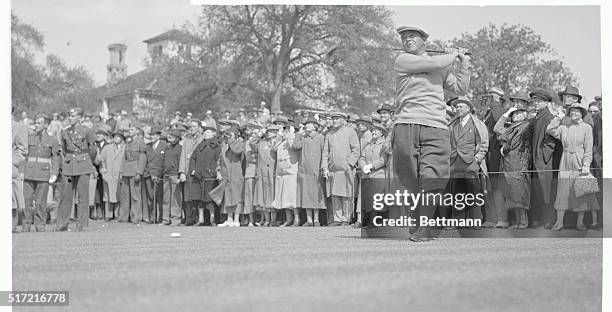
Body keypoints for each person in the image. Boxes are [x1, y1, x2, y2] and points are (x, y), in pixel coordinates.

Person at [392, 26, 471, 241]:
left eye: (412, 37)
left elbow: (460, 89)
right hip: (407, 121)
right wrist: (453, 54)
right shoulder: (403, 60)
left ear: (424, 41)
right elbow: (435, 63)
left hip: (436, 125)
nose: (407, 40)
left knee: (433, 176)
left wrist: (464, 63)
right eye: (404, 37)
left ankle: (425, 225)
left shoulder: (442, 65)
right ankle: (417, 214)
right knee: (409, 174)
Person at [546, 103, 599, 231]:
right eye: (572, 111)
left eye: (577, 111)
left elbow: (588, 149)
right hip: (565, 161)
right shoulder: (564, 127)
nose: (574, 113)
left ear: (582, 113)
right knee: (562, 191)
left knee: (580, 190)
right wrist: (559, 116)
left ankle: (579, 223)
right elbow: (550, 130)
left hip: (580, 161)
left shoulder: (586, 128)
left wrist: (586, 164)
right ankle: (559, 222)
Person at [446, 97, 488, 226]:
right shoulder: (452, 124)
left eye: (461, 107)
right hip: (455, 162)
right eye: (457, 107)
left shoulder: (478, 124)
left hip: (470, 163)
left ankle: (475, 220)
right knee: (457, 193)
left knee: (473, 192)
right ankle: (458, 221)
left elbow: (483, 143)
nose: (458, 109)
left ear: (468, 108)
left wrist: (477, 159)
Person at [56, 107, 98, 231]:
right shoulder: (64, 132)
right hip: (69, 165)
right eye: (69, 115)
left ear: (80, 117)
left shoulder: (87, 131)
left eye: (73, 115)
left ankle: (82, 225)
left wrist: (86, 160)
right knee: (65, 196)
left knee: (83, 196)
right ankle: (62, 225)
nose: (70, 118)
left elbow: (93, 149)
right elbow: (63, 149)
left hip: (83, 164)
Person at [494, 102, 533, 229]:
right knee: (513, 193)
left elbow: (514, 142)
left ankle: (523, 222)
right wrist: (506, 114)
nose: (515, 115)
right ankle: (518, 222)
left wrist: (504, 149)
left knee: (519, 192)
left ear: (525, 114)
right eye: (514, 113)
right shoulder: (512, 126)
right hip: (509, 163)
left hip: (519, 163)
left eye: (518, 113)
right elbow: (497, 129)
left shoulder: (525, 125)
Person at [22, 115, 61, 232]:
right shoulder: (29, 138)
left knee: (41, 203)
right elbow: (23, 156)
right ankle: (26, 225)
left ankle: (40, 226)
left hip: (43, 175)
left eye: (39, 123)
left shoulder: (53, 141)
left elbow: (56, 158)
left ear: (46, 125)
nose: (36, 126)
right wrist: (21, 171)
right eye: (35, 123)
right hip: (28, 174)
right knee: (26, 201)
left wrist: (54, 173)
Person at [321, 112, 360, 226]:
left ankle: (346, 218)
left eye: (337, 118)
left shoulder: (350, 131)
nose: (334, 121)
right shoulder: (329, 134)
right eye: (333, 118)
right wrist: (324, 167)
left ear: (343, 120)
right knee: (335, 195)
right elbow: (325, 152)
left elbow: (356, 150)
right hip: (333, 170)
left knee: (346, 195)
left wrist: (350, 164)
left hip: (346, 169)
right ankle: (337, 218)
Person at [529, 89, 559, 229]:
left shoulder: (548, 117)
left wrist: (544, 155)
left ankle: (548, 220)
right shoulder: (537, 116)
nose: (535, 103)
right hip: (536, 158)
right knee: (537, 188)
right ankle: (539, 219)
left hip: (543, 159)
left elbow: (551, 141)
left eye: (538, 101)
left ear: (546, 103)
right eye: (534, 100)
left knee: (545, 188)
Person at [292, 117, 326, 226]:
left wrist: (322, 167)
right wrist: (299, 133)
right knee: (306, 195)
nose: (307, 126)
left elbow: (324, 153)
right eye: (306, 124)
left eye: (309, 124)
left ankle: (316, 220)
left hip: (316, 171)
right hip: (304, 171)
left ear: (315, 126)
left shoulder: (321, 138)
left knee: (316, 195)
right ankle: (309, 220)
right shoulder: (304, 138)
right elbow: (295, 146)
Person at [188, 120, 221, 226]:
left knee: (210, 199)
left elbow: (219, 160)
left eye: (208, 132)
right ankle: (201, 219)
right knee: (199, 199)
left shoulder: (217, 146)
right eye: (205, 131)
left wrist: (216, 171)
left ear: (214, 133)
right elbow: (193, 158)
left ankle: (212, 219)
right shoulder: (200, 145)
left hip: (210, 177)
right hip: (198, 176)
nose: (206, 133)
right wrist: (193, 170)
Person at [359, 122, 390, 227]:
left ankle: (375, 221)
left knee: (377, 199)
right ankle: (370, 221)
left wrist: (372, 166)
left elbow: (383, 160)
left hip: (379, 173)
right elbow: (362, 157)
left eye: (376, 130)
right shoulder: (368, 144)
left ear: (381, 133)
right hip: (368, 174)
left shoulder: (384, 144)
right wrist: (363, 166)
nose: (374, 132)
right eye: (372, 130)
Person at [272, 122, 300, 226]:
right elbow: (274, 149)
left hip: (291, 171)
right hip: (281, 173)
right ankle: (288, 220)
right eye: (285, 129)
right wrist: (279, 137)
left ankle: (297, 219)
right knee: (284, 198)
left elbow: (293, 146)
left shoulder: (292, 138)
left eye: (287, 129)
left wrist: (290, 134)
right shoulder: (282, 141)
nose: (285, 131)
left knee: (292, 198)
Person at [218, 124, 246, 227]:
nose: (228, 136)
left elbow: (236, 151)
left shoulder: (240, 143)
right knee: (228, 196)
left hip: (237, 173)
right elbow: (220, 159)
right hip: (226, 173)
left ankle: (236, 219)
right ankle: (229, 219)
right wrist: (219, 171)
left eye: (231, 133)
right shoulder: (224, 144)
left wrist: (232, 141)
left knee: (236, 196)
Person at [178, 120, 206, 225]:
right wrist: (182, 172)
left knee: (198, 197)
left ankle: (199, 219)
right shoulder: (187, 140)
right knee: (187, 197)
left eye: (194, 126)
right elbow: (183, 157)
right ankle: (189, 219)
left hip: (198, 173)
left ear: (199, 127)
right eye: (191, 127)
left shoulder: (202, 139)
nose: (192, 128)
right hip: (188, 172)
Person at [253, 125, 280, 226]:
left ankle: (273, 219)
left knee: (272, 196)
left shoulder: (278, 142)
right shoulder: (261, 143)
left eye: (272, 131)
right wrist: (259, 135)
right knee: (263, 196)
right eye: (268, 131)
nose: (269, 133)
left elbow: (277, 151)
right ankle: (266, 219)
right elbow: (252, 143)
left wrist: (277, 139)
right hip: (262, 173)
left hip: (273, 173)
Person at [118, 128, 146, 224]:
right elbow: (123, 158)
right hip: (126, 170)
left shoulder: (140, 142)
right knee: (124, 196)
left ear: (137, 132)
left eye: (132, 129)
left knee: (135, 196)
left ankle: (136, 217)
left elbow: (143, 158)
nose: (129, 131)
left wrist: (139, 172)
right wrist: (121, 171)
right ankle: (123, 217)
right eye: (129, 129)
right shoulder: (128, 142)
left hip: (135, 170)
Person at [98, 131, 125, 221]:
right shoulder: (107, 148)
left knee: (118, 195)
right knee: (108, 195)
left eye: (118, 137)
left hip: (119, 175)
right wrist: (103, 171)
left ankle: (117, 215)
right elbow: (101, 160)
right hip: (108, 175)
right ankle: (108, 214)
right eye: (115, 137)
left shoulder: (124, 148)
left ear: (122, 138)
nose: (116, 138)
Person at [143, 126, 166, 223]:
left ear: (158, 136)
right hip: (149, 174)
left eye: (154, 135)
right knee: (151, 197)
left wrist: (158, 174)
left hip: (160, 175)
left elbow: (165, 161)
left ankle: (160, 217)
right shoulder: (147, 146)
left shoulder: (164, 146)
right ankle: (152, 216)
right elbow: (145, 161)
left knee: (160, 197)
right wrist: (150, 173)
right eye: (151, 135)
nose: (152, 137)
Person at [161, 129, 183, 226]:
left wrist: (179, 175)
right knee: (166, 199)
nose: (170, 138)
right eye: (170, 136)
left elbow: (181, 163)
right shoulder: (167, 148)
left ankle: (176, 219)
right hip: (166, 175)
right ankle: (165, 219)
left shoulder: (180, 148)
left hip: (175, 175)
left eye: (172, 136)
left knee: (175, 199)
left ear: (177, 138)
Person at [12, 112, 28, 233]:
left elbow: (23, 149)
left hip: (10, 169)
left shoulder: (17, 126)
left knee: (11, 200)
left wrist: (12, 162)